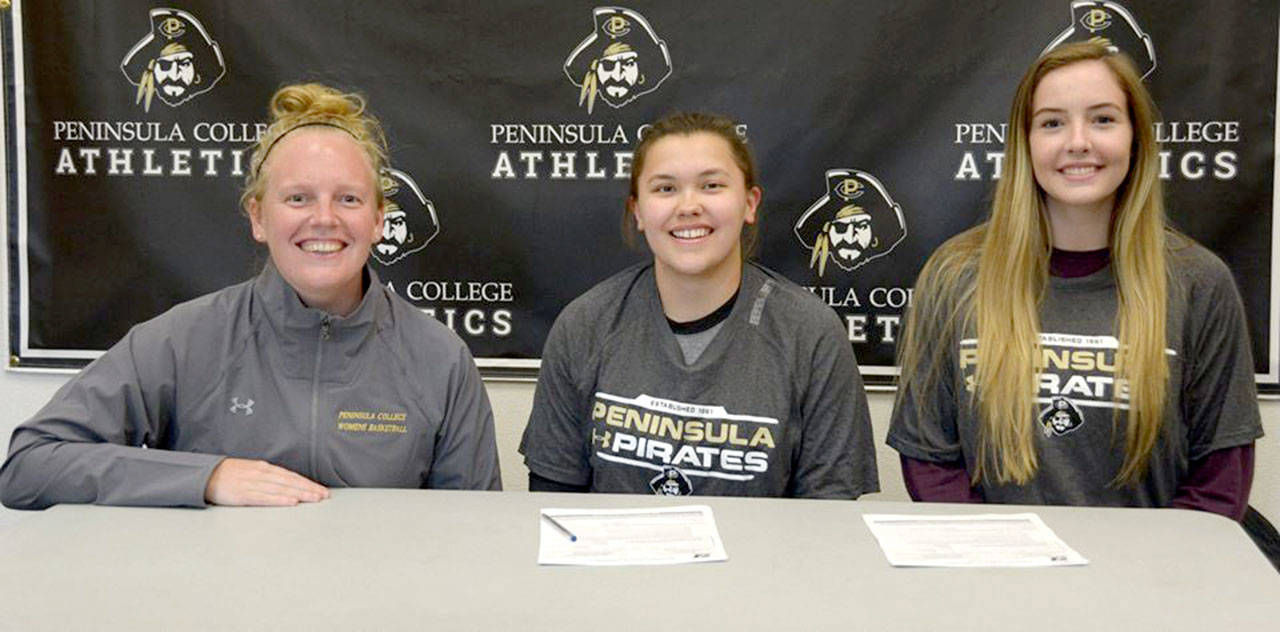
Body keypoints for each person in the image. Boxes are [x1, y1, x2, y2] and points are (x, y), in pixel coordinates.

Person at [0, 83, 501, 509]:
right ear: (259, 217)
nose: (324, 218)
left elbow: (472, 533)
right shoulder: (186, 341)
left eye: (348, 198)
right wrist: (206, 478)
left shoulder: (441, 361)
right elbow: (29, 463)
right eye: (298, 198)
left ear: (377, 220)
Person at [887, 40, 1262, 520]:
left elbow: (1220, 480)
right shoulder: (955, 274)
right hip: (994, 578)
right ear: (1025, 144)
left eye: (1103, 119)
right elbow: (930, 460)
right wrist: (1001, 563)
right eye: (1052, 122)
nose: (1078, 141)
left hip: (1152, 583)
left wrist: (1146, 579)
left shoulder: (1199, 281)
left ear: (1136, 138)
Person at [519, 112, 878, 498]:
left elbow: (829, 518)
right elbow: (553, 509)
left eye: (711, 185)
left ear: (749, 203)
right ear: (638, 210)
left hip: (765, 559)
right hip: (617, 560)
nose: (688, 206)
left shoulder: (811, 334)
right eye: (665, 189)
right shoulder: (585, 325)